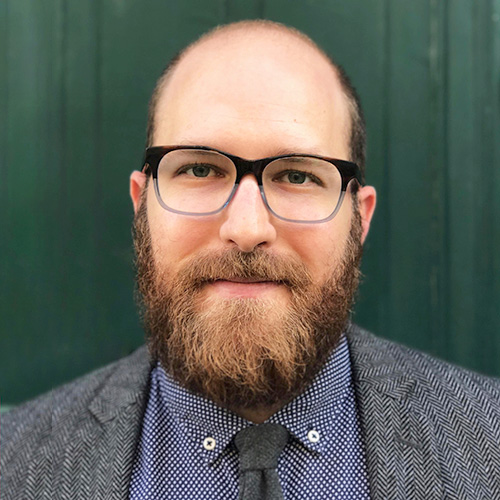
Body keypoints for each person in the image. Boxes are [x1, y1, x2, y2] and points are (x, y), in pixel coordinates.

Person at [2, 20, 499, 500]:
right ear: (141, 205)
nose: (246, 229)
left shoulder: (488, 441)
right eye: (200, 169)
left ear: (360, 217)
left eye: (298, 176)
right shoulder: (13, 463)